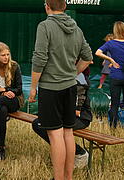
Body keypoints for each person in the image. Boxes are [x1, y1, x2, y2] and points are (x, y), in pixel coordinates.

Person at [28, 0, 93, 179]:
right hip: (70, 87)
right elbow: (87, 57)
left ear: (47, 6)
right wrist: (72, 73)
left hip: (50, 88)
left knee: (55, 135)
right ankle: (68, 177)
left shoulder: (45, 26)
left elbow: (39, 58)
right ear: (65, 7)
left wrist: (33, 87)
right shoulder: (76, 28)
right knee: (67, 133)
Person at [32, 70, 92, 169]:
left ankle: (81, 154)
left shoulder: (79, 80)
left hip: (80, 118)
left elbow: (76, 111)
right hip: (64, 116)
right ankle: (61, 156)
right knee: (38, 124)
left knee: (54, 128)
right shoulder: (61, 76)